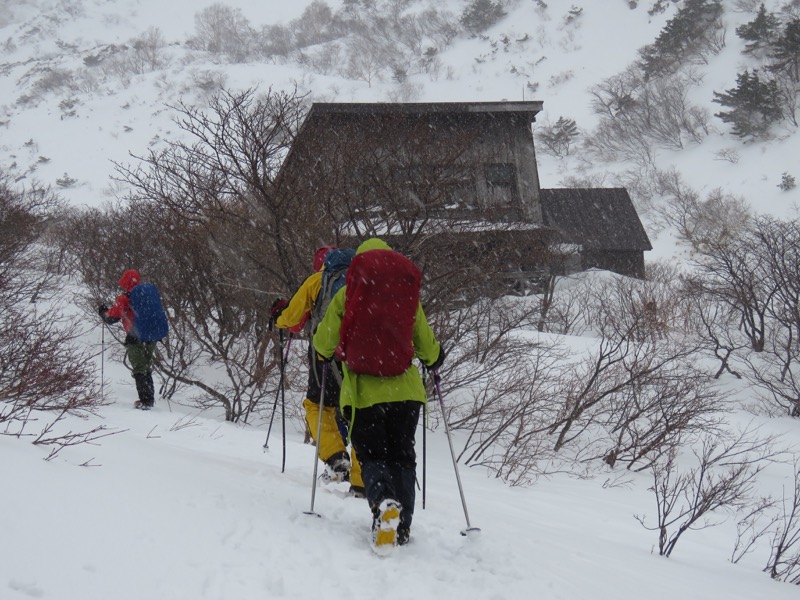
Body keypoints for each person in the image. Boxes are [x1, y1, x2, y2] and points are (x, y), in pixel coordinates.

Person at [313, 238, 444, 551]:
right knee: (403, 457)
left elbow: (322, 344)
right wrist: (435, 358)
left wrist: (325, 352)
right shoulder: (407, 297)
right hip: (407, 392)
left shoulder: (348, 295)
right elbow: (427, 346)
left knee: (373, 456)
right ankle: (403, 526)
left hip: (365, 394)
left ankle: (384, 503)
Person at [270, 246, 365, 497]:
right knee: (361, 416)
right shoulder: (365, 280)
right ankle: (362, 480)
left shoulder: (318, 280)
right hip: (361, 356)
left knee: (318, 405)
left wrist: (277, 317)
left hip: (325, 355)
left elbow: (292, 318)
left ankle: (336, 458)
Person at [99, 269, 158, 410]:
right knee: (146, 367)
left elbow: (111, 318)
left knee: (139, 369)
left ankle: (146, 402)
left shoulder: (124, 298)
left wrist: (102, 312)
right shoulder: (148, 295)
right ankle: (149, 399)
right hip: (151, 336)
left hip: (135, 336)